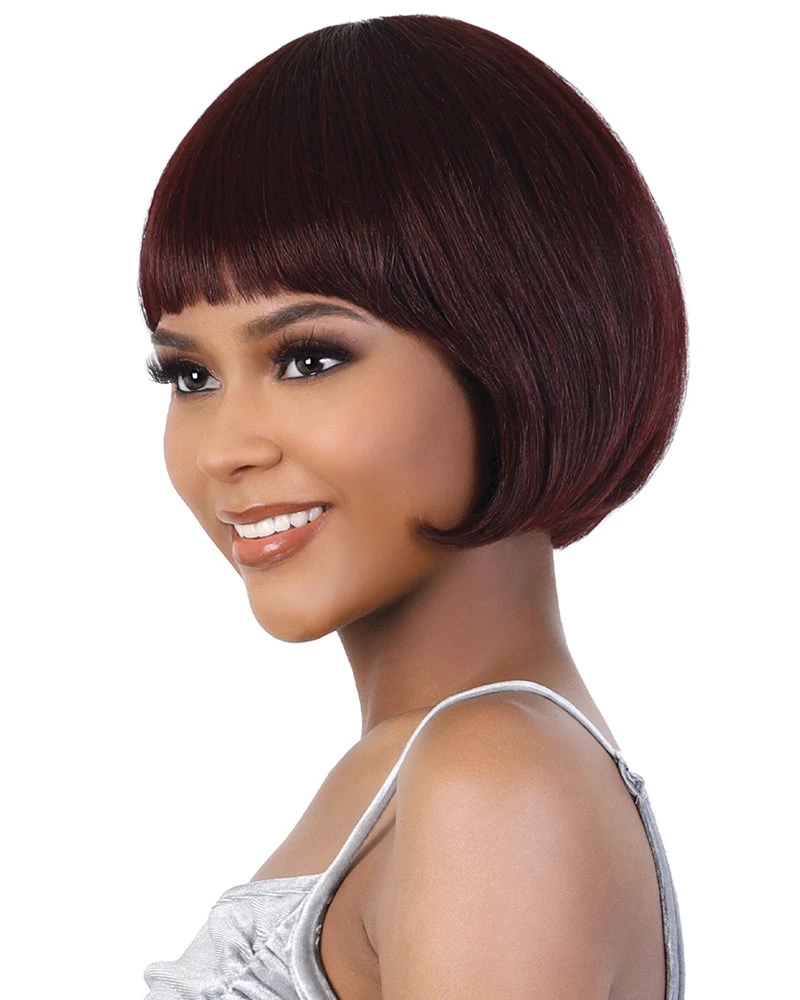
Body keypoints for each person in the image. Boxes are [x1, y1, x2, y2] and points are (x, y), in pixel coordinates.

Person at [139, 14, 686, 1000]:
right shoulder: (433, 769)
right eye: (190, 376)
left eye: (308, 358)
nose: (225, 448)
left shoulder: (494, 778)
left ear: (519, 346)